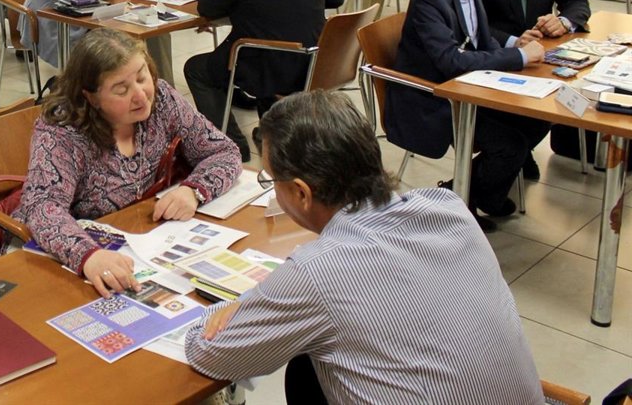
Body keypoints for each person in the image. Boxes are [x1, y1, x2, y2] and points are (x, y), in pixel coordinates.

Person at [185, 90, 541, 403]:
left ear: (301, 193)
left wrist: (236, 306)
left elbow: (209, 353)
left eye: (271, 179)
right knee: (307, 368)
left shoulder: (317, 272)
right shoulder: (447, 206)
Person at [14, 28, 242, 294]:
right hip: (78, 258)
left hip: (144, 236)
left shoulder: (162, 99)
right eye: (121, 90)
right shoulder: (62, 131)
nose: (141, 95)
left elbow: (224, 151)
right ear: (91, 97)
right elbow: (42, 207)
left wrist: (193, 191)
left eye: (142, 77)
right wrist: (88, 255)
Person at [389, 0, 548, 231]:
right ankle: (462, 198)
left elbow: (481, 42)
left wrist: (515, 55)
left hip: (466, 88)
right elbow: (451, 61)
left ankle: (477, 192)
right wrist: (518, 58)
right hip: (434, 98)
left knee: (539, 118)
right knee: (509, 144)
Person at [184, 0, 343, 157]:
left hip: (269, 60)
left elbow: (207, 7)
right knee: (256, 45)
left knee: (197, 70)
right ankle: (273, 134)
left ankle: (232, 146)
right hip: (317, 58)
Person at [477, 0, 589, 177]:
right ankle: (510, 159)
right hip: (497, 56)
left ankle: (517, 154)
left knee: (562, 97)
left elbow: (577, 2)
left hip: (542, 57)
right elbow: (473, 19)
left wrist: (563, 22)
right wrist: (513, 41)